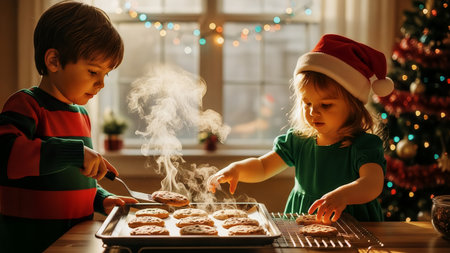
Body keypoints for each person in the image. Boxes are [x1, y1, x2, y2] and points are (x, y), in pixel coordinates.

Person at [208, 34, 394, 224]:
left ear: (353, 107)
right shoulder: (298, 141)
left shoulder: (363, 145)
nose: (313, 112)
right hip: (303, 218)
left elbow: (372, 184)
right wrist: (237, 169)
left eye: (326, 105)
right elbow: (263, 166)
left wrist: (343, 196)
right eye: (307, 103)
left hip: (354, 221)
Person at [0, 1, 138, 252]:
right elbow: (5, 155)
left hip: (75, 241)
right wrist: (73, 152)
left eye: (105, 75)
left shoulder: (81, 115)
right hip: (29, 242)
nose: (101, 84)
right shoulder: (26, 104)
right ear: (54, 61)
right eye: (93, 72)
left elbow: (75, 182)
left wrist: (103, 199)